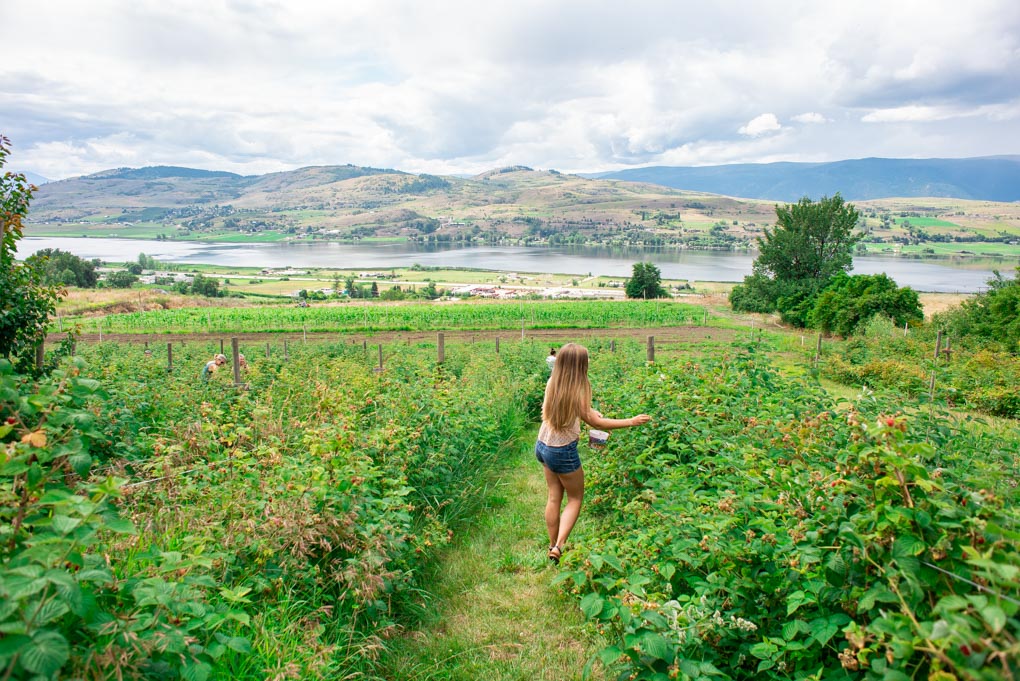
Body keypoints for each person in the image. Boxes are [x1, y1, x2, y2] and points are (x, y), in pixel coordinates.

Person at [535, 343, 650, 564]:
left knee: (554, 497)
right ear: (580, 365)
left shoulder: (553, 382)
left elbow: (578, 410)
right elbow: (596, 422)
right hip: (562, 450)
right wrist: (632, 421)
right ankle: (559, 546)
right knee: (575, 498)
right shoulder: (578, 389)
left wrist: (588, 411)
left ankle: (552, 545)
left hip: (543, 445)